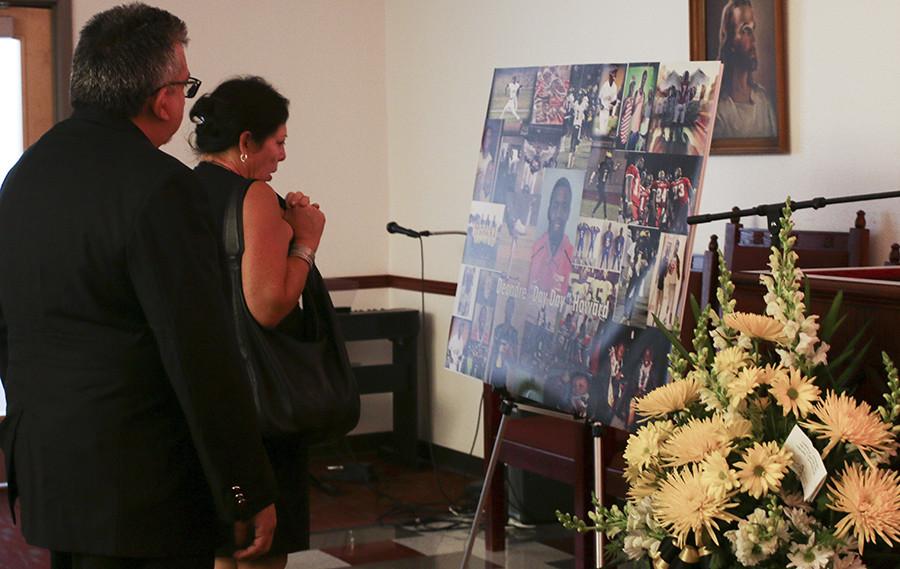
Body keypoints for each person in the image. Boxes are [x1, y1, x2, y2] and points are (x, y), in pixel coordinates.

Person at [0, 5, 277, 569]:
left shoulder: (24, 175)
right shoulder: (161, 187)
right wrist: (244, 487)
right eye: (185, 85)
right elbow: (199, 350)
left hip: (50, 469)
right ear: (162, 99)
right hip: (143, 485)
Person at [190, 77, 327, 569]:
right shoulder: (253, 200)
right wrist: (305, 240)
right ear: (247, 141)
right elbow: (269, 304)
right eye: (279, 141)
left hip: (199, 391)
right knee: (261, 553)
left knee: (224, 546)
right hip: (257, 398)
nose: (283, 156)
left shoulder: (179, 190)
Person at [714, 0, 777, 138]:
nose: (754, 40)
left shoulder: (762, 100)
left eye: (752, 29)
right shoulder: (719, 108)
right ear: (729, 41)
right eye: (745, 30)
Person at [528, 177, 574, 297]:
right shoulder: (534, 249)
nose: (558, 214)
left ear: (569, 212)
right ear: (549, 209)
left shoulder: (572, 254)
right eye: (555, 206)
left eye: (564, 207)